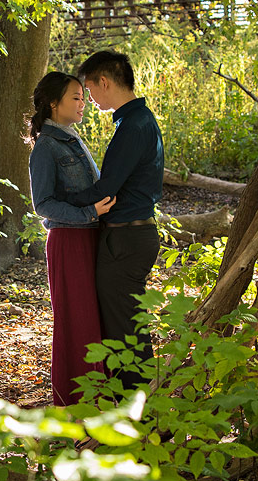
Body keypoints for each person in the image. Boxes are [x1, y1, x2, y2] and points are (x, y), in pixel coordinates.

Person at [56, 51, 163, 392]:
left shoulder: (134, 124)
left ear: (104, 82)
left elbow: (107, 188)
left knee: (124, 330)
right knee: (126, 324)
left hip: (127, 240)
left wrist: (60, 202)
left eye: (88, 88)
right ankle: (137, 413)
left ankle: (139, 417)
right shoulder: (135, 120)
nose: (87, 98)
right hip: (131, 236)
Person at [27, 71, 115, 406]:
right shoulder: (46, 147)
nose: (83, 104)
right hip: (69, 242)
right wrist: (89, 213)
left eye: (83, 97)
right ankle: (76, 404)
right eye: (75, 98)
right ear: (53, 103)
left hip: (90, 239)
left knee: (92, 322)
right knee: (77, 322)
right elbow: (43, 204)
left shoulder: (72, 138)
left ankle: (100, 401)